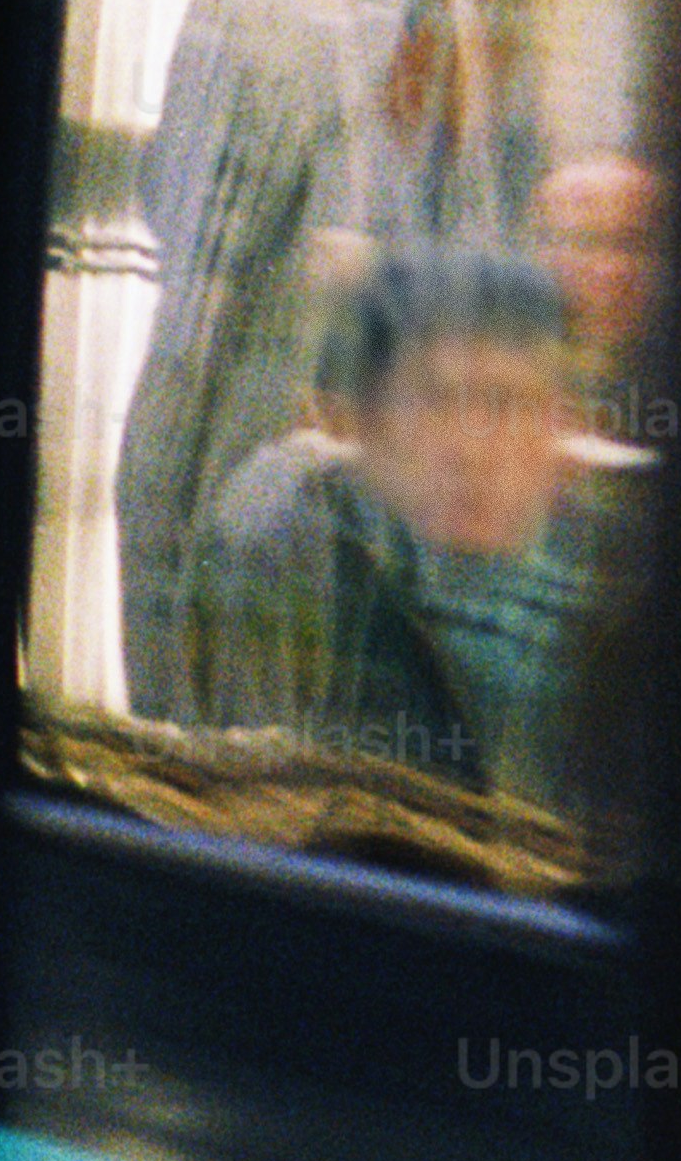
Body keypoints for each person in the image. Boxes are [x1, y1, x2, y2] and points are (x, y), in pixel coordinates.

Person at [178, 244, 588, 802]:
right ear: (361, 424)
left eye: (505, 404)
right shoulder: (305, 565)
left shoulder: (587, 607)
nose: (469, 447)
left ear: (560, 429)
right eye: (435, 402)